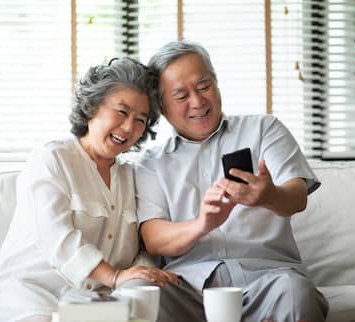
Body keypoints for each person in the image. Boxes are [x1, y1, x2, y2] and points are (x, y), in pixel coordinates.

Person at [134, 41, 329, 322]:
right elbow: (154, 239)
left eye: (204, 87)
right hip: (188, 289)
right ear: (162, 107)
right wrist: (202, 224)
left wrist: (269, 195)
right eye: (181, 96)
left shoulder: (264, 129)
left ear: (216, 83)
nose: (197, 102)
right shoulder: (150, 163)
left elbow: (297, 197)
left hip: (269, 281)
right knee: (140, 292)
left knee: (295, 292)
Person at [0, 58, 178, 322]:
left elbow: (139, 248)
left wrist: (144, 273)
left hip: (89, 300)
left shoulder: (132, 176)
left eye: (140, 120)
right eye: (122, 111)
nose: (129, 127)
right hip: (27, 291)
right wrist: (114, 276)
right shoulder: (53, 158)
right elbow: (56, 237)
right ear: (93, 106)